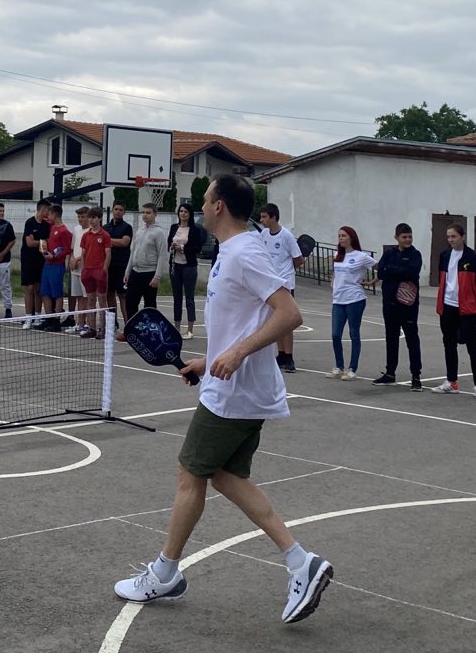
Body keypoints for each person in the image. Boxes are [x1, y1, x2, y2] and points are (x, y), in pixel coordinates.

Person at [113, 174, 332, 626]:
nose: (201, 203)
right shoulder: (233, 251)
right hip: (235, 387)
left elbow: (289, 313)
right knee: (225, 477)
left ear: (219, 206)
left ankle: (164, 573)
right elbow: (241, 320)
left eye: (207, 196)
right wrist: (208, 357)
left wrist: (236, 354)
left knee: (189, 473)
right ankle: (300, 562)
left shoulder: (245, 252)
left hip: (235, 393)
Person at [432, 222, 476, 398]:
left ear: (463, 237)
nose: (451, 240)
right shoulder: (444, 256)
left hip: (468, 309)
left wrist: (474, 302)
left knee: (473, 346)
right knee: (449, 343)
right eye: (448, 237)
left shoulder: (474, 258)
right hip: (447, 306)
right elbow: (443, 280)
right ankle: (451, 381)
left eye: (454, 236)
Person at [374, 223, 424, 390]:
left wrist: (392, 270)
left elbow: (411, 272)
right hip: (389, 303)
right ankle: (390, 373)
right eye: (404, 237)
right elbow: (381, 272)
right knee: (391, 338)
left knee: (412, 339)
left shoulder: (415, 255)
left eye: (410, 236)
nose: (407, 240)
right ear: (396, 238)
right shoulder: (390, 253)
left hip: (408, 305)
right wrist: (397, 270)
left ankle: (416, 376)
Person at [257, 204, 303, 372]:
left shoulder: (286, 236)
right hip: (271, 283)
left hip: (285, 283)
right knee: (275, 320)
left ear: (274, 218)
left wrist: (286, 270)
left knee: (286, 321)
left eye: (264, 217)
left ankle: (289, 357)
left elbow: (299, 259)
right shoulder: (263, 234)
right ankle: (281, 354)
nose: (261, 220)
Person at [327, 227, 376, 380]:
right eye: (339, 236)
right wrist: (333, 283)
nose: (340, 238)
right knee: (335, 334)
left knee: (354, 333)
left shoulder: (361, 256)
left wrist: (372, 281)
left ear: (351, 238)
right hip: (338, 299)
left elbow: (380, 267)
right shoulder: (337, 255)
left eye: (344, 236)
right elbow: (336, 272)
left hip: (355, 299)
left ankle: (352, 368)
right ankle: (339, 366)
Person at [168, 202, 205, 339]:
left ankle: (190, 329)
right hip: (175, 265)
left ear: (190, 215)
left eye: (185, 212)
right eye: (181, 211)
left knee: (189, 298)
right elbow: (168, 242)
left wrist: (183, 248)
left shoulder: (195, 230)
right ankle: (176, 327)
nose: (183, 214)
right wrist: (172, 246)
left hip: (189, 266)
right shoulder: (174, 227)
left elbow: (197, 248)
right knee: (176, 297)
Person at [125, 202, 166, 321]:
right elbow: (133, 252)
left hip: (149, 273)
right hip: (135, 271)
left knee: (149, 304)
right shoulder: (139, 231)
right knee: (130, 302)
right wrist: (127, 271)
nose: (145, 215)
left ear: (155, 214)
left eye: (148, 213)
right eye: (143, 212)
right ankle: (133, 327)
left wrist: (157, 277)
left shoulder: (159, 232)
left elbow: (162, 255)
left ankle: (150, 328)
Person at [78, 206, 112, 338]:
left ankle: (103, 328)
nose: (91, 220)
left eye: (94, 218)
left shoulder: (105, 235)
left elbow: (108, 254)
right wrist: (83, 269)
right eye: (90, 217)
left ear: (100, 218)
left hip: (99, 270)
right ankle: (91, 327)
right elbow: (83, 253)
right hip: (88, 270)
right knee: (90, 300)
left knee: (102, 300)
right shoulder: (86, 235)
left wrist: (104, 269)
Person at [37, 203, 73, 330]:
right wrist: (44, 250)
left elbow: (66, 248)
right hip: (48, 264)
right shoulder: (52, 228)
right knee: (45, 291)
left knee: (57, 293)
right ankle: (49, 318)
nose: (48, 216)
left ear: (55, 215)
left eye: (50, 214)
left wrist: (54, 255)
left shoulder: (64, 231)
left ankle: (56, 320)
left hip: (57, 265)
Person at [104, 201, 134, 338]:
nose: (118, 212)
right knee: (109, 294)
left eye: (121, 210)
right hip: (109, 265)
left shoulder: (127, 227)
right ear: (112, 210)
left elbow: (124, 242)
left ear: (124, 212)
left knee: (123, 295)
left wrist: (107, 240)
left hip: (122, 265)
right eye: (116, 209)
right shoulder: (106, 227)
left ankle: (128, 324)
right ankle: (113, 322)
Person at [20, 199, 50, 330]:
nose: (49, 212)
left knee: (38, 288)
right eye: (48, 209)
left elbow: (46, 243)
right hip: (28, 259)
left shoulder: (46, 225)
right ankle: (28, 317)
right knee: (29, 288)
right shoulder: (30, 222)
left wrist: (41, 242)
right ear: (42, 209)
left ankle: (37, 316)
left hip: (40, 259)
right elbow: (29, 243)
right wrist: (43, 242)